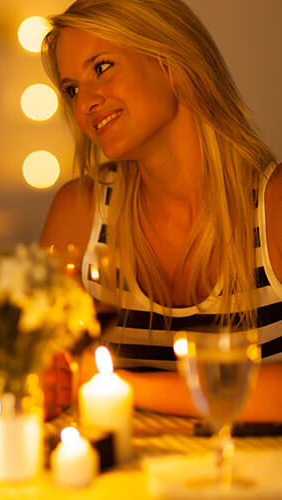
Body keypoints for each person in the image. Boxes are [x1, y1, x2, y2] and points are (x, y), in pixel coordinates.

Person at [40, 0, 282, 421]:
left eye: (101, 68)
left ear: (171, 60)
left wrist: (122, 386)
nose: (85, 104)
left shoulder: (274, 206)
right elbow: (45, 378)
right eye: (71, 89)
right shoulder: (78, 213)